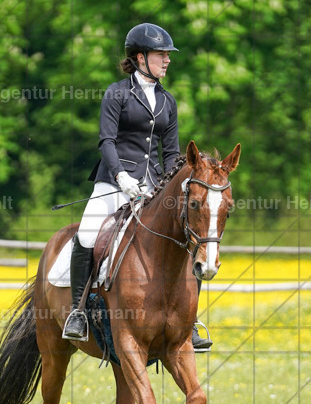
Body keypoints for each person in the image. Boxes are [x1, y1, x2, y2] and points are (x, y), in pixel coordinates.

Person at [62, 22, 212, 352]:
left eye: (168, 55)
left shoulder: (167, 101)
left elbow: (172, 153)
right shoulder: (117, 93)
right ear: (140, 57)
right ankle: (76, 313)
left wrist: (173, 184)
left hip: (154, 184)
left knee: (190, 237)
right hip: (114, 179)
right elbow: (107, 141)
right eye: (162, 55)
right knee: (87, 234)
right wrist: (121, 177)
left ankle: (191, 321)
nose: (168, 60)